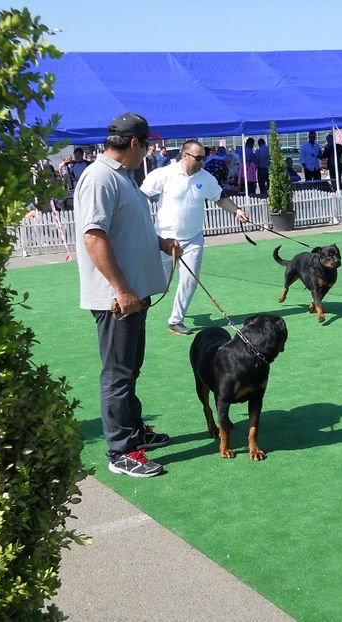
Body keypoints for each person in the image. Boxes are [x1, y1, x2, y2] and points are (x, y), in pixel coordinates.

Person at [73, 112, 182, 478]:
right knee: (118, 374)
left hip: (131, 294)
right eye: (147, 143)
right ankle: (121, 451)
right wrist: (120, 289)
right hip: (116, 299)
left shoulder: (122, 177)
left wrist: (160, 242)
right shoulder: (99, 177)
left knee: (130, 368)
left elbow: (127, 228)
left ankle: (134, 432)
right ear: (133, 143)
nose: (148, 150)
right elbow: (93, 236)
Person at [140, 139, 250, 336]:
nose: (201, 161)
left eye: (203, 157)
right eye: (198, 157)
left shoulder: (206, 178)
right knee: (158, 283)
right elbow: (141, 196)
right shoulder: (164, 174)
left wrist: (237, 211)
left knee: (190, 280)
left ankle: (176, 320)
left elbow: (221, 198)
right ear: (184, 155)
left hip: (193, 239)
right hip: (164, 241)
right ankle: (135, 309)